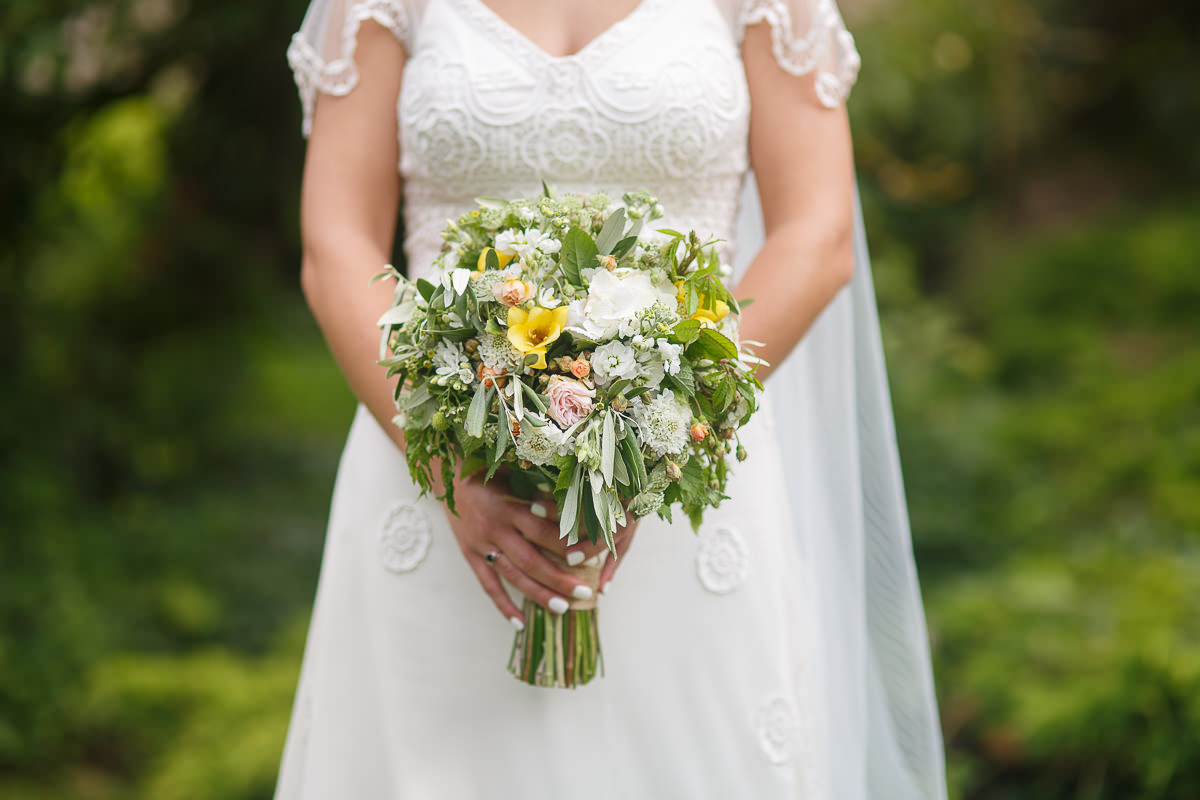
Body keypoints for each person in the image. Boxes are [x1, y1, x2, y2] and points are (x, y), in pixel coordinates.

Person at [275, 0, 948, 797]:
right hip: (436, 473)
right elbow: (336, 240)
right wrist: (451, 469)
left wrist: (667, 432)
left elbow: (818, 231)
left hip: (684, 470)